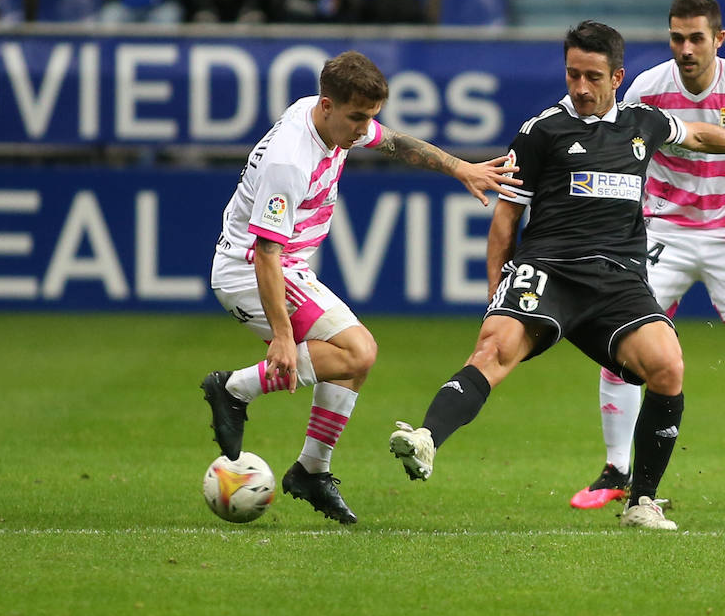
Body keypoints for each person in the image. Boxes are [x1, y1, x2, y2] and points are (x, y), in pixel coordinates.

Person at [387, 21, 725, 530]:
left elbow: (698, 134)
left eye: (592, 76)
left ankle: (641, 501)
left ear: (617, 76)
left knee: (668, 366)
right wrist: (496, 291)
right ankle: (426, 438)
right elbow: (506, 219)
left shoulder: (643, 123)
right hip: (550, 270)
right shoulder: (540, 131)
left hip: (618, 281)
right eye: (572, 74)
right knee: (494, 349)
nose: (580, 87)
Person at [200, 50, 518, 524]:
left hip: (287, 265)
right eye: (356, 118)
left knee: (351, 363)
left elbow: (393, 142)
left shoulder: (328, 115)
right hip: (251, 268)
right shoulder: (290, 160)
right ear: (327, 106)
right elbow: (266, 253)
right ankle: (235, 389)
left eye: (368, 116)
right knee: (357, 350)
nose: (362, 128)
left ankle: (311, 470)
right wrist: (284, 340)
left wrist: (460, 168)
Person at [567, 0, 725, 516]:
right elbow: (617, 154)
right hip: (664, 232)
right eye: (677, 37)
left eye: (697, 38)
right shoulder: (648, 89)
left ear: (718, 39)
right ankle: (616, 467)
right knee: (625, 346)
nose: (685, 48)